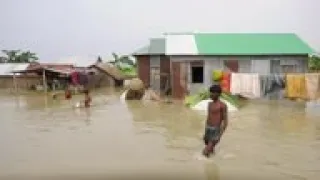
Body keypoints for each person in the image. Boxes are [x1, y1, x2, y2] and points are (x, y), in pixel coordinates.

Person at [202, 84, 228, 157]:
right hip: (208, 128)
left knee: (205, 151)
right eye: (210, 92)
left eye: (213, 92)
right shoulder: (209, 104)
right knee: (209, 148)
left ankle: (205, 163)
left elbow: (225, 121)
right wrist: (205, 130)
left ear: (218, 94)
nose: (211, 94)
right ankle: (212, 164)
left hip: (216, 130)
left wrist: (220, 134)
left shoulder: (222, 105)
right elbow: (208, 117)